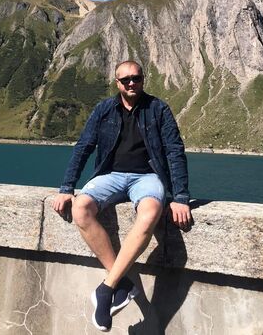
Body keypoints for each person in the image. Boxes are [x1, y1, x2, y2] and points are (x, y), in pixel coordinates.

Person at [53, 60, 192, 331]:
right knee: (80, 208)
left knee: (151, 211)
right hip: (111, 175)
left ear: (143, 79)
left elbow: (174, 151)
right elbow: (84, 147)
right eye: (125, 79)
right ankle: (121, 283)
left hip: (147, 177)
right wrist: (67, 188)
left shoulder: (158, 109)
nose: (131, 83)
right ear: (117, 82)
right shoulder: (104, 109)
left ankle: (107, 288)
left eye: (136, 78)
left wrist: (180, 197)